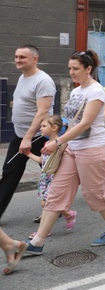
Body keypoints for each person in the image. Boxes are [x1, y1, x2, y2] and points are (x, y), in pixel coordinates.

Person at [26, 50, 105, 256]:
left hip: (92, 150)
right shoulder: (77, 91)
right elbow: (72, 122)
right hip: (72, 149)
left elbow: (86, 123)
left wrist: (58, 142)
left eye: (76, 68)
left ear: (89, 69)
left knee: (94, 194)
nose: (71, 72)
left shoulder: (96, 91)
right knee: (56, 192)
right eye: (70, 68)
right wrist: (58, 140)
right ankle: (38, 241)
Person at [0, 45, 56, 220]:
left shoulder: (43, 81)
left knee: (50, 173)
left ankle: (55, 208)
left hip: (37, 137)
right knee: (10, 171)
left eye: (22, 57)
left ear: (34, 59)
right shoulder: (24, 77)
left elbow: (42, 112)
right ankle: (56, 207)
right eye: (16, 56)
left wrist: (28, 138)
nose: (18, 60)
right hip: (22, 135)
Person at [25, 115, 77, 237]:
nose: (41, 129)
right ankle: (69, 214)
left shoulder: (61, 144)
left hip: (54, 178)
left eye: (43, 126)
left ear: (54, 128)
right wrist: (28, 153)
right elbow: (41, 160)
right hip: (45, 178)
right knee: (50, 204)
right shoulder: (47, 143)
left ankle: (45, 230)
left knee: (47, 204)